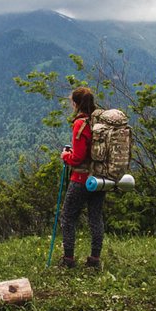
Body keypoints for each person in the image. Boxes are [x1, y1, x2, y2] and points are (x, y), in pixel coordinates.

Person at [58, 86, 107, 268]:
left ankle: (68, 259)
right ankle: (95, 259)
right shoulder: (99, 123)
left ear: (76, 103)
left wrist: (65, 156)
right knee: (95, 216)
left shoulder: (81, 124)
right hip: (100, 178)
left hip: (81, 178)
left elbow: (78, 157)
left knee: (68, 216)